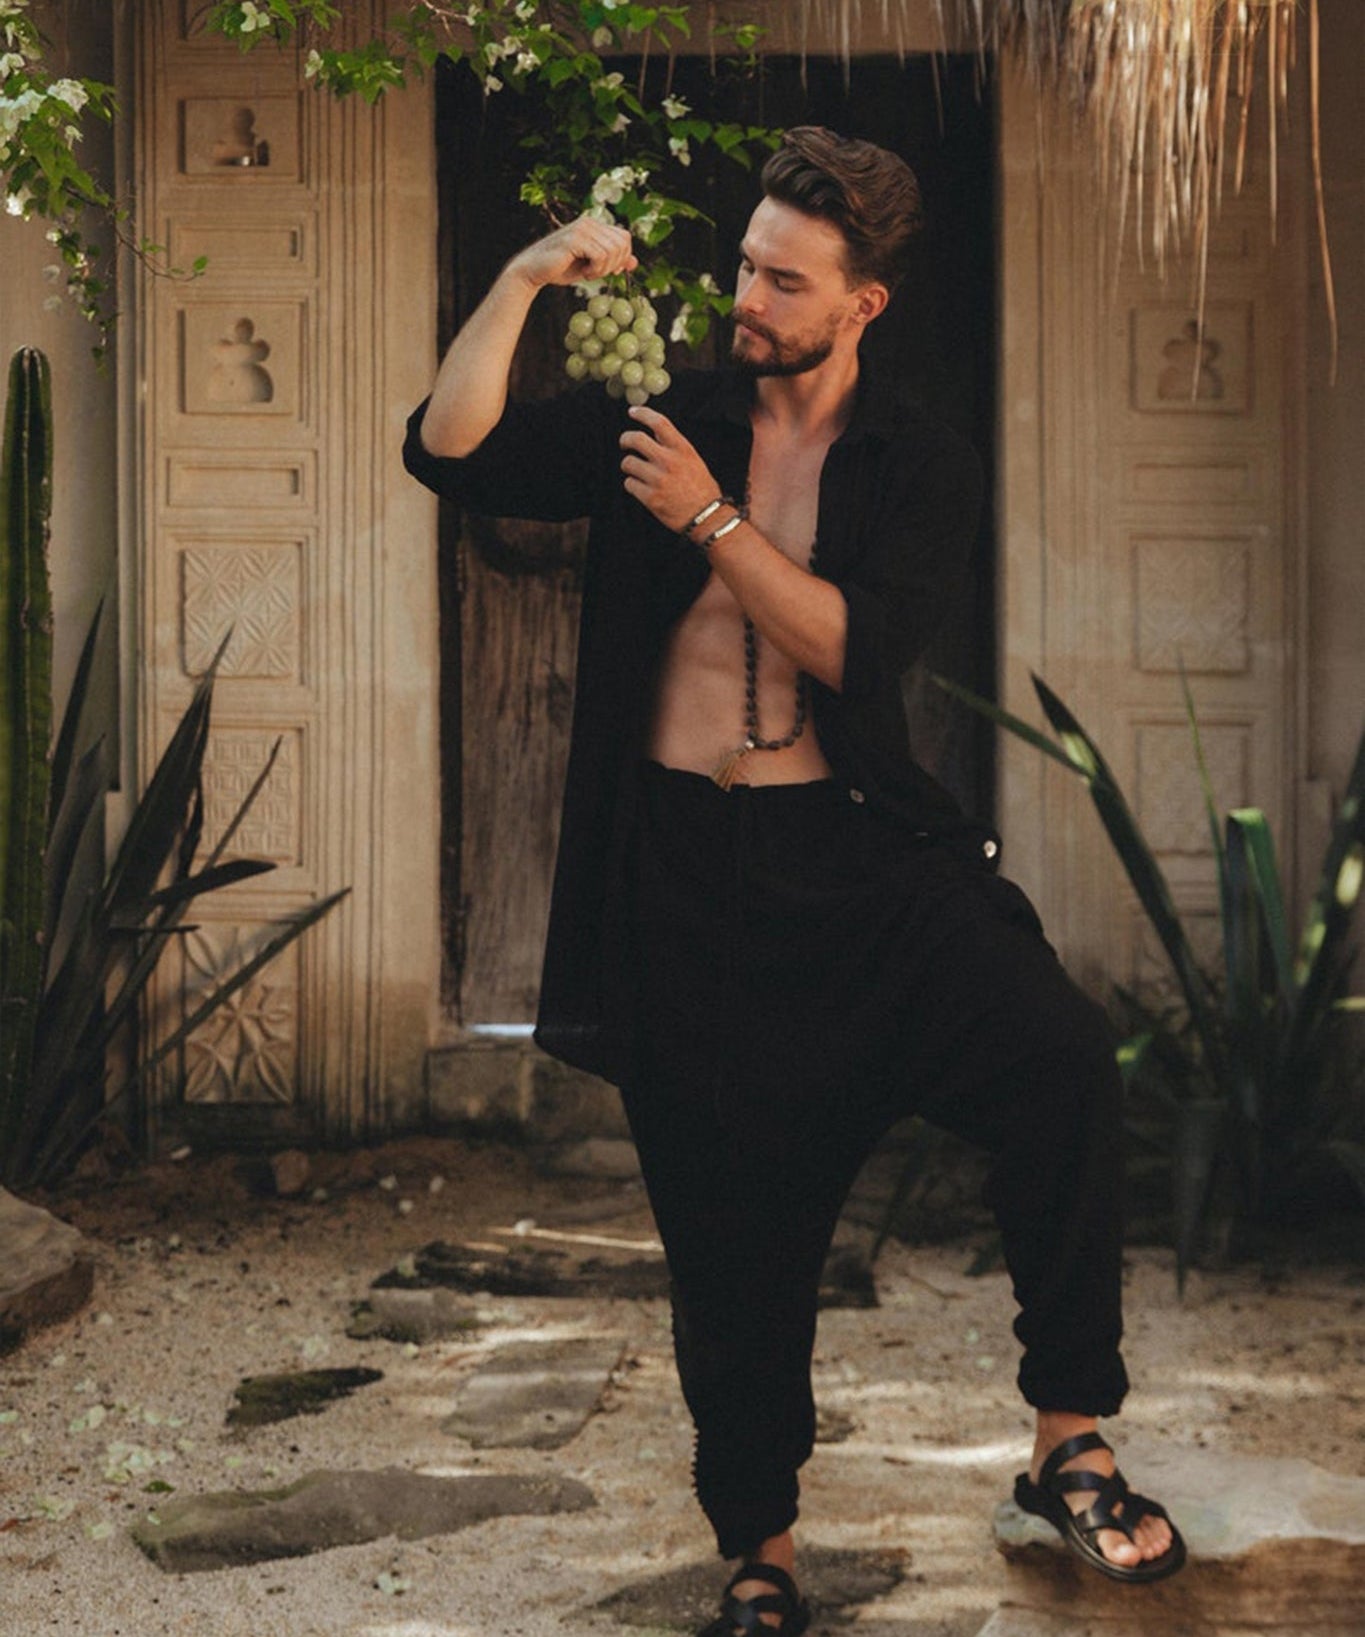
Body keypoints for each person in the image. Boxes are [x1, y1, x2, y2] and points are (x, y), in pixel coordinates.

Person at [404, 126, 1186, 1637]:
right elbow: (453, 449)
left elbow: (854, 649)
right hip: (685, 877)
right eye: (747, 266)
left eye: (783, 280)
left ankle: (1067, 1440)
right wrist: (522, 279)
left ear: (862, 303)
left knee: (1060, 1062)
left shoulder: (917, 460)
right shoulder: (664, 414)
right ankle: (760, 1553)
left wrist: (708, 516)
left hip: (864, 857)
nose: (744, 298)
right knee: (730, 1245)